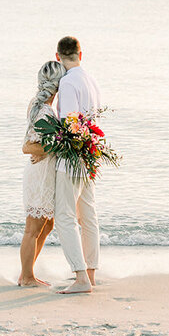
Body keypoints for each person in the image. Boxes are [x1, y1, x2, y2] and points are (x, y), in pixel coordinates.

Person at [50, 35, 101, 294]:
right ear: (81, 54)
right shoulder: (90, 80)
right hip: (89, 155)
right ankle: (90, 273)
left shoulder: (68, 83)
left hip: (71, 156)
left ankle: (80, 277)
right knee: (88, 217)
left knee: (65, 217)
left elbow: (70, 123)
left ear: (58, 56)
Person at [18, 60, 65, 287]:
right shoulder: (44, 111)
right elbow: (28, 145)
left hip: (43, 172)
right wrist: (53, 147)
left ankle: (28, 272)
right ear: (58, 86)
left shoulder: (40, 106)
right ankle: (26, 277)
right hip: (39, 174)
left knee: (47, 225)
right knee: (33, 228)